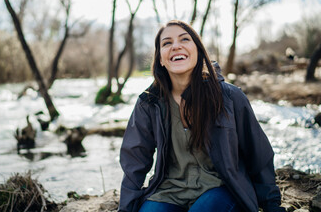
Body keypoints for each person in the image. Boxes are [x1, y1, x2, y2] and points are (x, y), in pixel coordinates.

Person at [118, 20, 285, 212]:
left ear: (198, 51)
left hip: (222, 188)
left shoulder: (229, 97)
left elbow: (258, 154)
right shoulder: (149, 103)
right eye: (166, 43)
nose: (176, 46)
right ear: (161, 60)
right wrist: (126, 209)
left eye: (184, 39)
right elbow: (134, 161)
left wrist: (272, 206)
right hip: (169, 191)